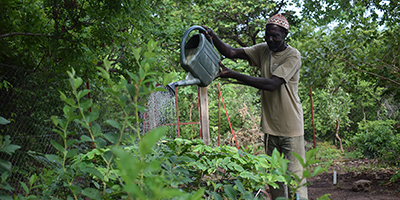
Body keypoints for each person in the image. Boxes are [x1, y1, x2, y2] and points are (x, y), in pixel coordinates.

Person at [202, 13, 308, 199]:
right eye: (267, 34)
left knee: (295, 182)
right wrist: (213, 36)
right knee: (275, 180)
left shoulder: (293, 55)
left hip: (291, 129)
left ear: (285, 35)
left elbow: (272, 84)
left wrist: (233, 74)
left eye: (275, 35)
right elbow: (232, 52)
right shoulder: (263, 50)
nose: (270, 39)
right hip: (270, 129)